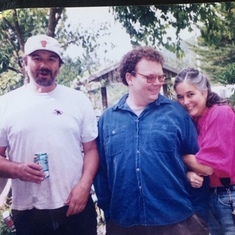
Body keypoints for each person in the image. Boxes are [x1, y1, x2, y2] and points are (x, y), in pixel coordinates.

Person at [94, 46, 210, 235]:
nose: (157, 83)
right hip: (124, 224)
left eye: (160, 77)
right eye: (149, 77)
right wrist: (110, 215)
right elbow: (102, 173)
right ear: (129, 77)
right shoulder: (108, 119)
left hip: (178, 222)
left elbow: (200, 161)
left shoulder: (177, 113)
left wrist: (198, 217)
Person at [0, 34, 99, 235]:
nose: (44, 65)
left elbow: (91, 150)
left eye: (51, 59)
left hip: (75, 206)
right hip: (29, 210)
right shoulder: (6, 104)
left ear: (59, 65)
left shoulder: (78, 100)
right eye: (37, 58)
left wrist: (84, 186)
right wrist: (16, 169)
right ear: (25, 62)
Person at [174, 67, 235, 235]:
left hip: (229, 195)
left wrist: (179, 156)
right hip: (210, 196)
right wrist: (188, 173)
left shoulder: (221, 113)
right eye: (180, 96)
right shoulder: (193, 121)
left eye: (190, 94)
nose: (185, 101)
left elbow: (206, 167)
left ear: (205, 92)